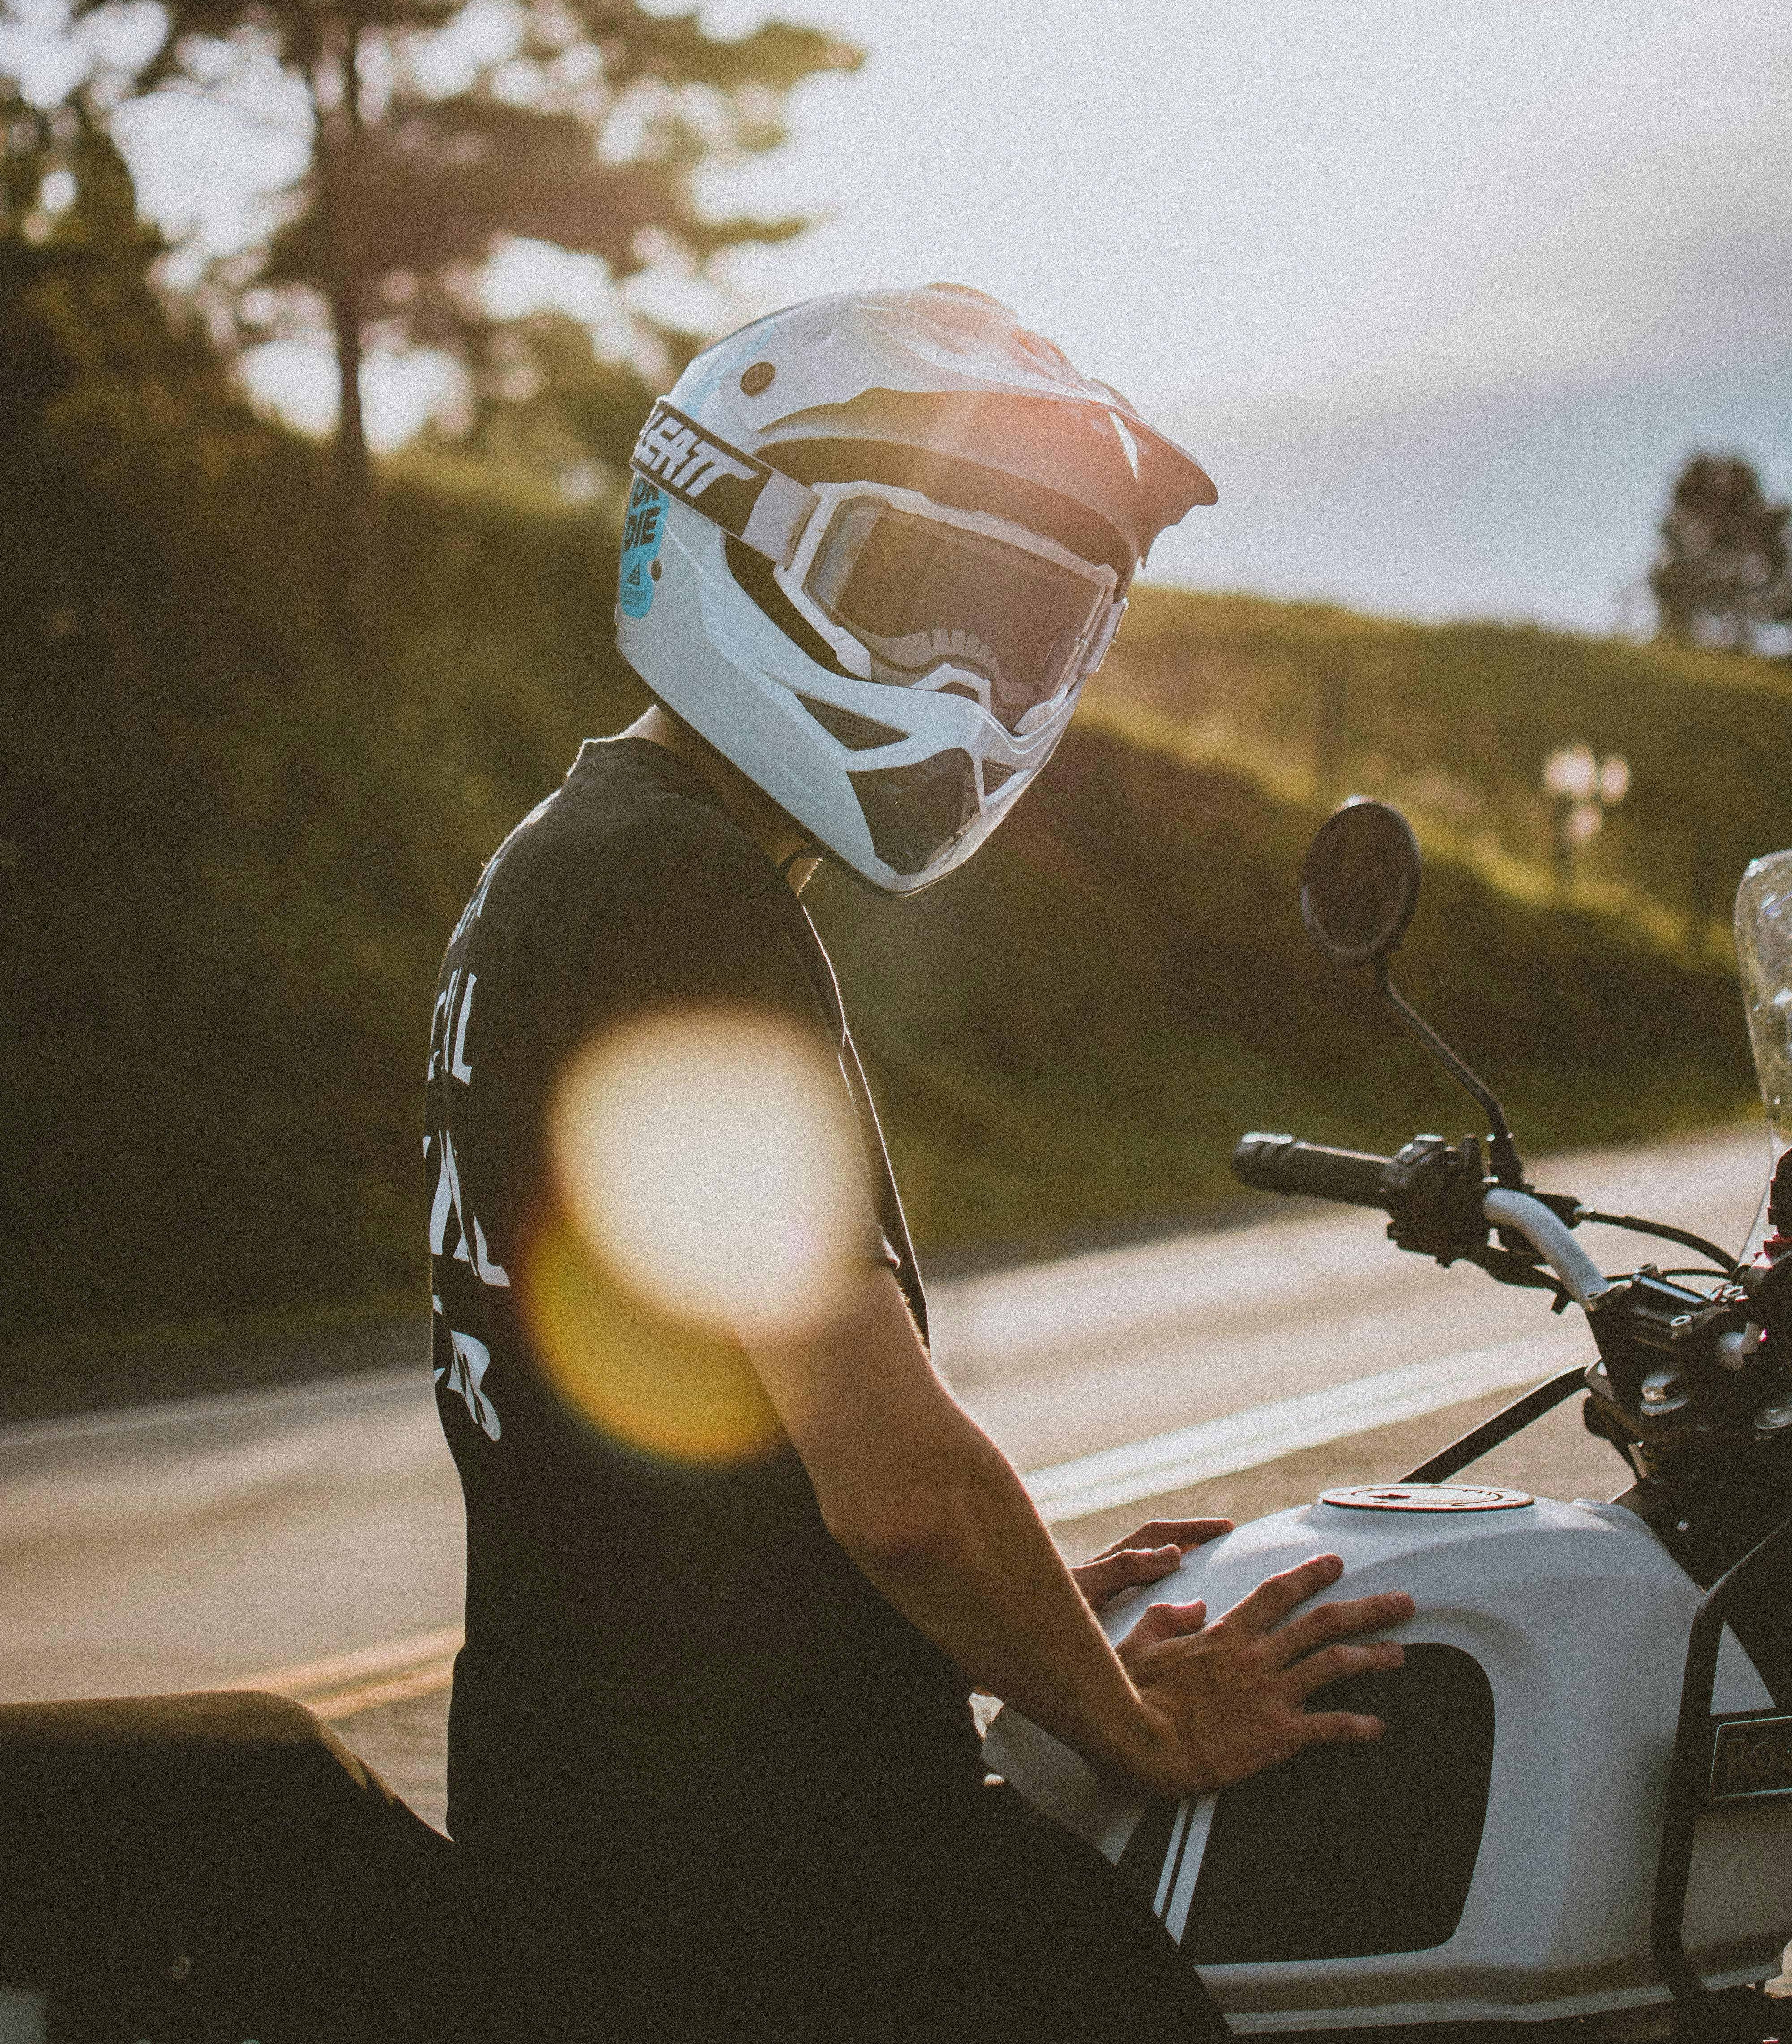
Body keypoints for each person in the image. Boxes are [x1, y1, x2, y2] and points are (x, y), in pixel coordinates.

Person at [424, 285, 1413, 2039]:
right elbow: (888, 1482)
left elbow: (678, 1454)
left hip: (583, 1828)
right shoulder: (678, 899)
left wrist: (1026, 1617)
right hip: (786, 1880)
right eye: (912, 593)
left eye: (1019, 629)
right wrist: (1137, 1716)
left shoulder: (554, 863)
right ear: (728, 525)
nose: (965, 681)